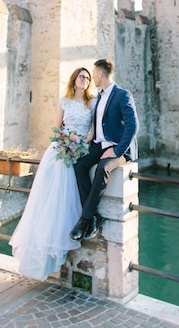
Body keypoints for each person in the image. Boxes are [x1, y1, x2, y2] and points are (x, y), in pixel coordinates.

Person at [9, 67, 96, 280]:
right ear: (74, 79)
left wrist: (81, 145)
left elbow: (93, 130)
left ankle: (57, 256)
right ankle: (44, 257)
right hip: (61, 150)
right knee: (50, 200)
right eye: (81, 77)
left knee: (65, 201)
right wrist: (64, 145)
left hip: (80, 149)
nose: (84, 80)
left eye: (87, 77)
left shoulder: (91, 103)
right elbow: (56, 128)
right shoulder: (64, 101)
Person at [70, 58, 139, 242]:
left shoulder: (123, 95)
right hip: (99, 145)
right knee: (79, 164)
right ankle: (95, 217)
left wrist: (117, 151)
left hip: (119, 150)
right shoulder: (99, 97)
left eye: (93, 73)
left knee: (103, 168)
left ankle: (85, 219)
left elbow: (133, 126)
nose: (92, 77)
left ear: (100, 74)